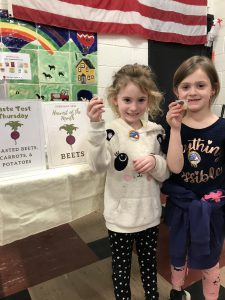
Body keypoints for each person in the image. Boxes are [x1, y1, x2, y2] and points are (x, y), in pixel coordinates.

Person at [86, 63, 170, 300]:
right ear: (115, 99)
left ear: (150, 100)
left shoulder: (156, 131)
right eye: (127, 100)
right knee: (121, 268)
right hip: (119, 217)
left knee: (148, 262)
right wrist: (94, 127)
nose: (134, 108)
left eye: (141, 100)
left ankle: (151, 295)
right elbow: (97, 166)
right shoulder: (109, 130)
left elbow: (165, 174)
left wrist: (155, 162)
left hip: (149, 215)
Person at [161, 55, 225, 300]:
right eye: (186, 86)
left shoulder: (222, 128)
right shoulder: (172, 126)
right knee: (178, 255)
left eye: (201, 85)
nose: (193, 92)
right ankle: (177, 292)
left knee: (211, 258)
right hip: (181, 205)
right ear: (177, 91)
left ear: (213, 89)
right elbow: (175, 168)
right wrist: (176, 129)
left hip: (212, 207)